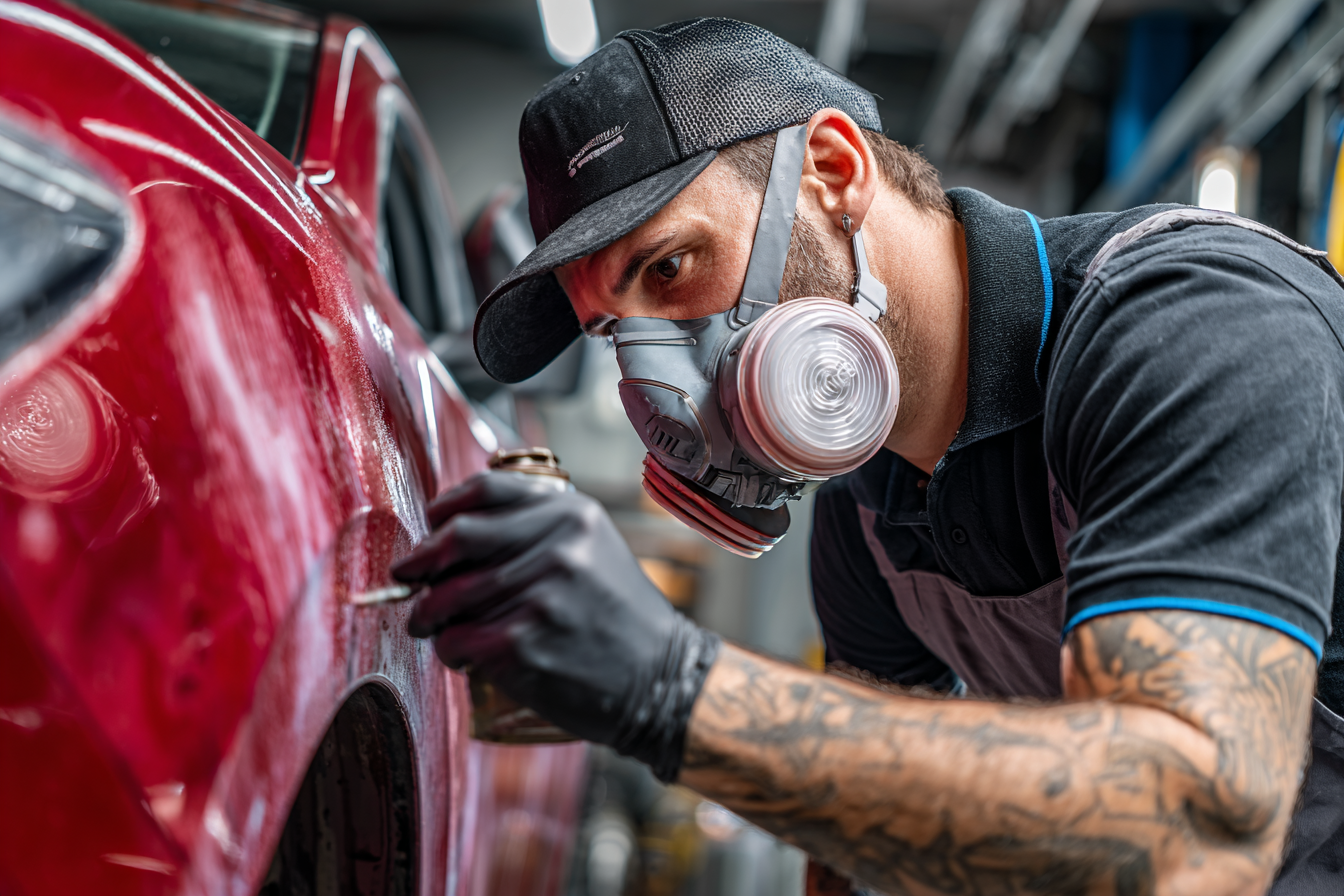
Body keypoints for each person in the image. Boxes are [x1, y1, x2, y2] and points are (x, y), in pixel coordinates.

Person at [393, 18, 1344, 895]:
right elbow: (867, 850)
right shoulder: (869, 516)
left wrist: (673, 687)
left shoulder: (1193, 328)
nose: (658, 378)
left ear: (836, 172)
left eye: (671, 268)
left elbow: (1200, 822)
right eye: (615, 332)